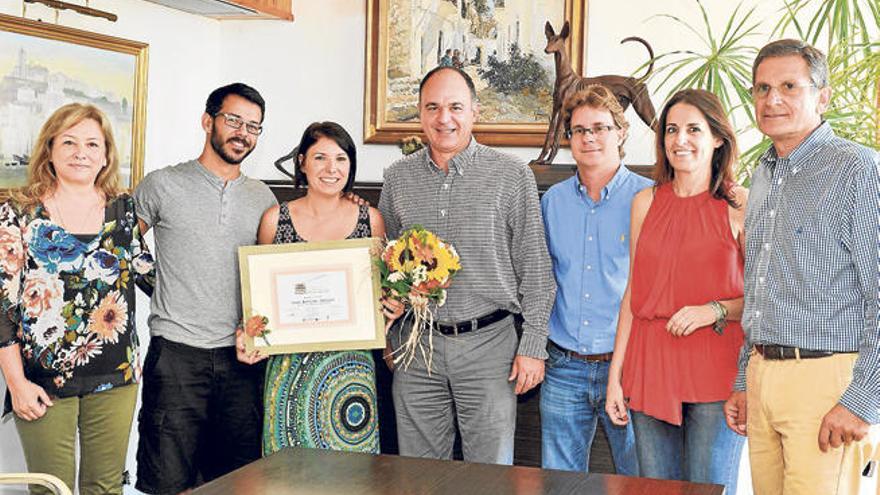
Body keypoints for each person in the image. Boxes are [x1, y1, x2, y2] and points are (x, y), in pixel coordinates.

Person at [724, 39, 880, 495]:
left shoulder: (858, 170)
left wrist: (862, 401)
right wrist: (744, 379)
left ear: (822, 95)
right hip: (763, 375)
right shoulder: (765, 171)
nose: (772, 99)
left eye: (789, 86)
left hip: (827, 383)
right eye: (762, 88)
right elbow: (760, 284)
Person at [378, 66, 555, 465]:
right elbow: (385, 268)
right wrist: (388, 336)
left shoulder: (512, 175)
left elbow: (537, 272)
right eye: (433, 107)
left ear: (475, 111)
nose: (445, 118)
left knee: (489, 474)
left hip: (489, 347)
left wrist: (533, 345)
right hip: (416, 348)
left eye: (456, 106)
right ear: (420, 114)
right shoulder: (397, 178)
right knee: (419, 473)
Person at [0, 103, 154, 494]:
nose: (80, 152)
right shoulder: (18, 212)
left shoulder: (124, 210)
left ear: (105, 155)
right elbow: (2, 306)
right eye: (68, 142)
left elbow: (150, 277)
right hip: (42, 380)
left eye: (91, 144)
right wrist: (16, 383)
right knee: (52, 489)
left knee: (105, 488)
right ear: (49, 149)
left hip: (116, 375)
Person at [133, 83, 278, 494]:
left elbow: (273, 273)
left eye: (254, 126)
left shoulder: (263, 197)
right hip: (176, 356)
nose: (243, 133)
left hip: (242, 363)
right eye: (234, 120)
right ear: (207, 121)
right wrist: (161, 285)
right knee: (166, 479)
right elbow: (121, 250)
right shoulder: (162, 184)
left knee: (237, 480)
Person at [605, 89, 748, 493]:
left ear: (717, 138)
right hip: (650, 366)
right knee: (656, 490)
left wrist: (713, 310)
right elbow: (634, 293)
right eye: (671, 130)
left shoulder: (740, 204)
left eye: (692, 129)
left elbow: (766, 302)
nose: (679, 140)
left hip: (716, 366)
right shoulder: (645, 202)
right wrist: (616, 377)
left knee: (709, 488)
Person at [254, 121, 396, 455]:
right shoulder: (275, 219)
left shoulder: (370, 220)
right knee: (284, 474)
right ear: (302, 162)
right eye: (320, 158)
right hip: (288, 368)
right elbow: (259, 299)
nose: (331, 168)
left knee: (352, 472)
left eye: (341, 159)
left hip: (351, 366)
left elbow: (383, 291)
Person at [539, 84, 647, 475]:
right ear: (569, 140)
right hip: (563, 367)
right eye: (579, 130)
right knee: (559, 483)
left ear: (620, 133)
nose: (589, 138)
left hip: (631, 368)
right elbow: (541, 280)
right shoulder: (552, 201)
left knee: (639, 480)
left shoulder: (649, 199)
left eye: (600, 128)